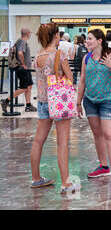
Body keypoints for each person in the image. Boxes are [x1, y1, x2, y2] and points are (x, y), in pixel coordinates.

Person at [30, 23, 77, 193]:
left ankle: (36, 178)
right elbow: (70, 77)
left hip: (43, 102)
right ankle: (66, 183)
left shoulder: (38, 56)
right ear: (56, 35)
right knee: (62, 143)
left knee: (38, 141)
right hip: (58, 102)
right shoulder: (59, 54)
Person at [76, 29, 111, 186]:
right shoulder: (86, 58)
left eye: (90, 39)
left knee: (109, 134)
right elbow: (82, 80)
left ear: (99, 40)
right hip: (90, 101)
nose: (87, 41)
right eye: (86, 39)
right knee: (97, 134)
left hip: (108, 100)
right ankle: (104, 166)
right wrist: (78, 102)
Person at [1, 28, 37, 112]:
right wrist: (24, 64)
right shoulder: (22, 42)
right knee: (24, 88)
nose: (30, 34)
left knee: (29, 86)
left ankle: (28, 106)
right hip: (22, 69)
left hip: (25, 69)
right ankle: (6, 101)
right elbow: (20, 53)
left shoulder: (19, 41)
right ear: (27, 33)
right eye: (30, 33)